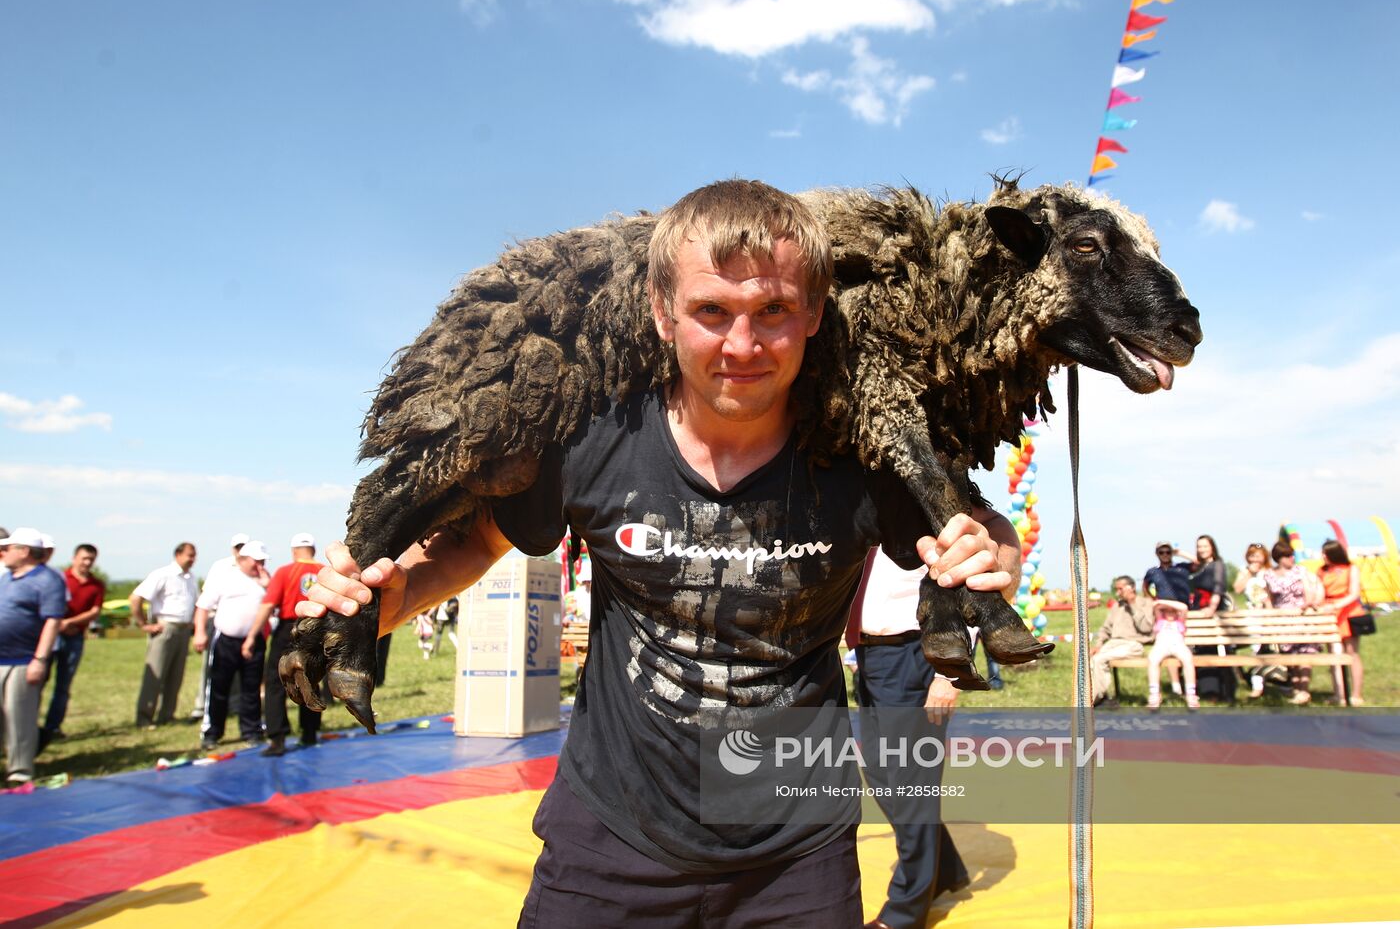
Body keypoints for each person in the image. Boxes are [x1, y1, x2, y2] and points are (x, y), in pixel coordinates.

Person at [296, 179, 1021, 926]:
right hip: (609, 843)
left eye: (771, 310)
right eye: (712, 311)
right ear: (661, 312)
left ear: (812, 310)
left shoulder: (856, 452)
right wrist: (391, 598)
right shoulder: (594, 435)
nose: (742, 345)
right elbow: (475, 541)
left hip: (796, 861)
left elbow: (977, 529)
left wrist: (998, 553)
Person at [845, 546, 986, 929]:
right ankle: (943, 870)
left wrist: (949, 674)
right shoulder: (868, 523)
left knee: (911, 788)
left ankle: (904, 912)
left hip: (915, 655)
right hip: (871, 660)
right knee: (879, 775)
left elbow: (965, 593)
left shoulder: (923, 520)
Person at [245, 534, 323, 756]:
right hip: (315, 628)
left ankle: (277, 738)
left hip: (289, 628)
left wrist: (252, 636)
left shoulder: (285, 572)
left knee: (276, 682)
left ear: (294, 551)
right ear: (313, 550)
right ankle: (310, 733)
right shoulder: (325, 572)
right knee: (310, 680)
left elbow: (268, 605)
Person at [0, 528, 66, 785]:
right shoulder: (8, 578)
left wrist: (39, 659)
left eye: (9, 548)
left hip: (23, 659)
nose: (3, 552)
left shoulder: (48, 580)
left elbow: (52, 621)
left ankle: (20, 771)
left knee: (19, 717)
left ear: (25, 551)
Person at [195, 540, 271, 749]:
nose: (260, 566)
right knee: (219, 686)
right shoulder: (225, 578)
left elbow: (273, 608)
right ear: (243, 560)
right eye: (256, 561)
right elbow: (202, 606)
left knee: (252, 687)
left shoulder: (265, 580)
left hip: (255, 641)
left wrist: (267, 585)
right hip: (226, 639)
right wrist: (200, 632)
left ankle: (251, 730)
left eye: (263, 561)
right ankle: (212, 732)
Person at [38, 544, 105, 750]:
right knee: (39, 681)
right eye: (84, 558)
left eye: (91, 559)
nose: (87, 563)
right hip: (52, 635)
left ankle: (53, 726)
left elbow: (95, 611)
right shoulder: (60, 578)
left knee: (63, 684)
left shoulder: (96, 584)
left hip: (75, 636)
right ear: (74, 557)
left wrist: (72, 623)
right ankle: (30, 726)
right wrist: (60, 623)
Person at [131, 542, 200, 728]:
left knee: (175, 676)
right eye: (189, 555)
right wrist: (143, 624)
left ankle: (167, 715)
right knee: (155, 674)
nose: (193, 559)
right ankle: (144, 718)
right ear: (177, 554)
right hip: (165, 628)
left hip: (184, 630)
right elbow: (136, 597)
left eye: (194, 555)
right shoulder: (162, 574)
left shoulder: (191, 578)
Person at [190, 533, 252, 720]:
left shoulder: (255, 568)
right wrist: (200, 631)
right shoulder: (222, 566)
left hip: (245, 625)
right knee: (213, 669)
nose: (241, 550)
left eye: (244, 546)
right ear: (233, 549)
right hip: (220, 620)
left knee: (241, 672)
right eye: (238, 546)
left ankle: (233, 706)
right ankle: (202, 707)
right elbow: (206, 599)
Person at [1262, 540, 1321, 705]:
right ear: (1279, 558)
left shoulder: (1300, 571)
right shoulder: (1269, 575)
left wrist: (1306, 605)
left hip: (1301, 615)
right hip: (1283, 618)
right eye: (1288, 556)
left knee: (1305, 654)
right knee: (1291, 657)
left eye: (1292, 555)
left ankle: (1304, 689)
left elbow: (1309, 591)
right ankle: (1295, 687)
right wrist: (1271, 615)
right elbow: (1270, 598)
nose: (1291, 558)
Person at [1089, 575, 1156, 707]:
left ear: (1130, 588)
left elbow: (1146, 628)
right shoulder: (1117, 606)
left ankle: (1092, 700)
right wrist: (1098, 645)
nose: (1118, 592)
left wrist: (1132, 604)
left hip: (1133, 644)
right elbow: (1105, 629)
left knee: (1099, 659)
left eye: (1120, 589)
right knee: (1089, 658)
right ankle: (1099, 696)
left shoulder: (1145, 603)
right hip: (1113, 644)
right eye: (1116, 589)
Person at [1186, 534, 1235, 702]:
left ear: (1212, 547)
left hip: (1212, 610)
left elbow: (1218, 587)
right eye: (1199, 546)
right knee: (1201, 649)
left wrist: (1212, 607)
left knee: (1217, 650)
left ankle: (1223, 691)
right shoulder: (1201, 566)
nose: (1202, 549)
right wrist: (1179, 553)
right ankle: (1206, 690)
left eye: (1205, 546)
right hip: (1199, 609)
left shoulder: (1218, 565)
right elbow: (1196, 560)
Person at [1316, 539, 1364, 706]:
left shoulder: (1351, 569)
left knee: (1352, 654)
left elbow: (1354, 593)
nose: (1323, 556)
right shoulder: (1322, 571)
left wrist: (1336, 605)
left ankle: (1356, 694)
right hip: (1329, 615)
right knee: (1334, 655)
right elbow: (1319, 591)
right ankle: (1339, 694)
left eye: (1325, 553)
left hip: (1349, 613)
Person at [1143, 542, 1190, 696]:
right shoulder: (1153, 572)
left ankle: (1185, 686)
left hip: (1182, 612)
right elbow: (1145, 586)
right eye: (1161, 552)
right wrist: (1153, 600)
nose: (1165, 555)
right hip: (1164, 614)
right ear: (1157, 553)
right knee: (1167, 645)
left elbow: (1198, 562)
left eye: (1167, 552)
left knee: (1180, 648)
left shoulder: (1181, 568)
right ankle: (1176, 685)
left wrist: (1180, 552)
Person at [1233, 542, 1277, 698]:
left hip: (1269, 614)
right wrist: (1249, 574)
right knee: (1257, 648)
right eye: (1251, 555)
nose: (1255, 558)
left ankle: (1279, 681)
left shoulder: (1270, 571)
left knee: (1273, 649)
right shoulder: (1245, 571)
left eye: (1258, 555)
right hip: (1253, 615)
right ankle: (1257, 684)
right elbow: (1237, 589)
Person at [1145, 598, 1198, 711]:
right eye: (1167, 611)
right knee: (1152, 659)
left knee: (1188, 659)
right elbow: (1156, 606)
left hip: (1177, 646)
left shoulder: (1179, 621)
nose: (1169, 613)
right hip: (1161, 646)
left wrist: (1167, 604)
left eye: (1172, 611)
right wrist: (1162, 605)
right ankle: (1154, 693)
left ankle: (1191, 694)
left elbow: (1184, 607)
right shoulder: (1160, 621)